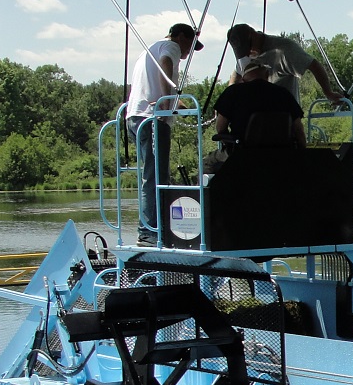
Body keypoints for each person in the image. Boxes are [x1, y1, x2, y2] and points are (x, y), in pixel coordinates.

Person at [126, 23, 202, 245]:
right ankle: (149, 233)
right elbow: (166, 62)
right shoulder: (170, 47)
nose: (188, 52)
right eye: (190, 45)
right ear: (180, 37)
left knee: (153, 176)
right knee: (155, 178)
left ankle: (153, 228)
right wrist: (168, 101)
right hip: (152, 118)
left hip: (136, 116)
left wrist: (175, 101)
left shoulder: (150, 49)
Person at [226, 23, 344, 112]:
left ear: (253, 34)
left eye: (249, 48)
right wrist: (228, 99)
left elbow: (314, 65)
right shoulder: (246, 56)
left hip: (284, 119)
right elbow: (237, 73)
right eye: (243, 52)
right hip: (258, 120)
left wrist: (328, 92)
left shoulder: (284, 49)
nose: (248, 54)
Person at [214, 57, 305, 149]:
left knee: (209, 162)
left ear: (243, 79)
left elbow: (220, 128)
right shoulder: (284, 94)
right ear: (267, 74)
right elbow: (299, 130)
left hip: (243, 157)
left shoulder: (232, 92)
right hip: (280, 158)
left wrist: (230, 146)